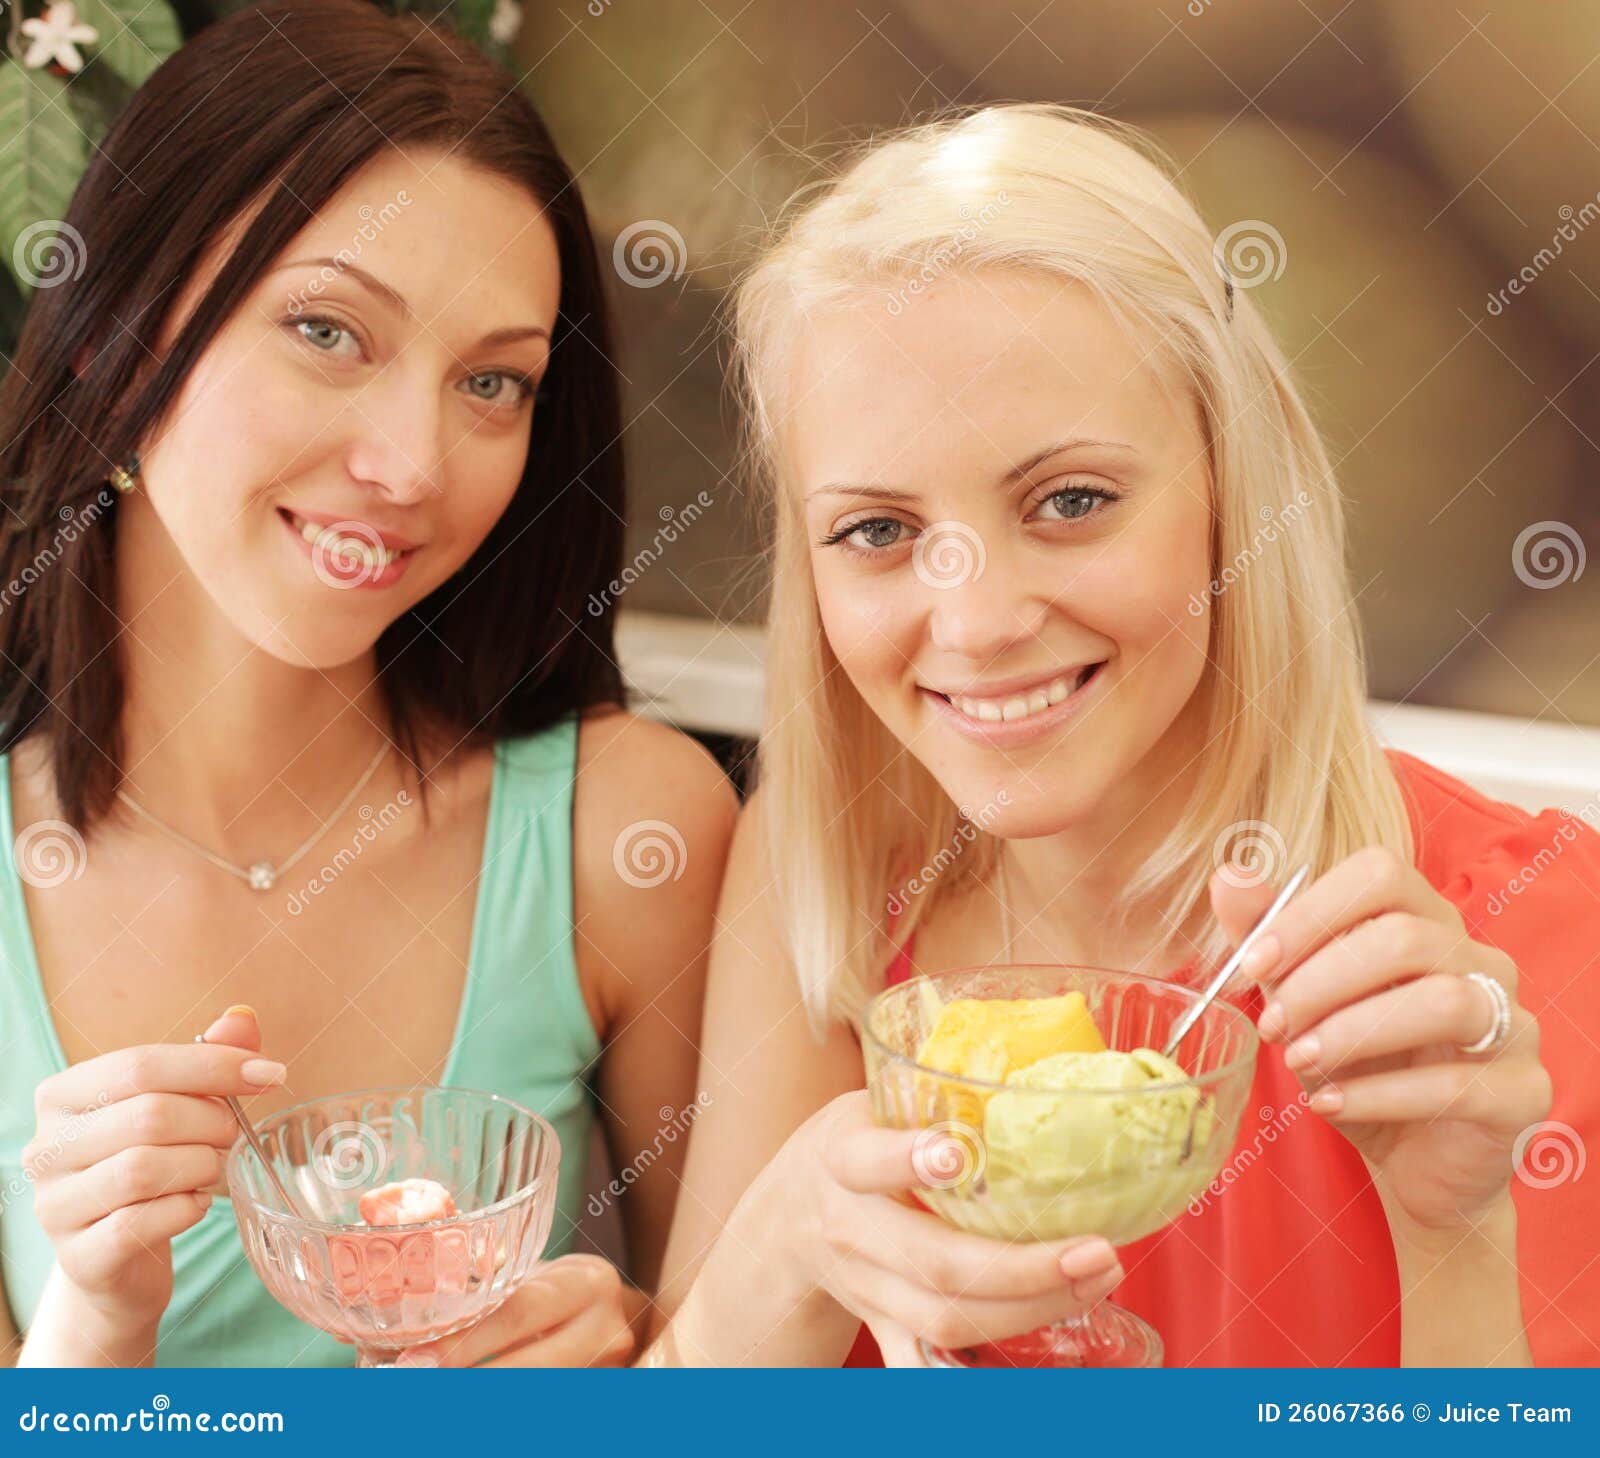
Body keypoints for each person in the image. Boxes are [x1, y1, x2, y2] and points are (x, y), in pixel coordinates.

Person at [644, 104, 1596, 1367]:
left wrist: (1452, 1236)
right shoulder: (822, 870)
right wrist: (769, 1268)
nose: (975, 621)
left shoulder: (1523, 930)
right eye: (875, 530)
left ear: (1232, 490)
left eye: (1071, 502)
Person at [0, 0, 734, 1368]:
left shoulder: (629, 838)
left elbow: (762, 1377)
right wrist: (94, 1318)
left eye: (494, 384)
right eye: (330, 332)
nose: (412, 463)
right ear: (114, 336)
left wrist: (637, 1355)